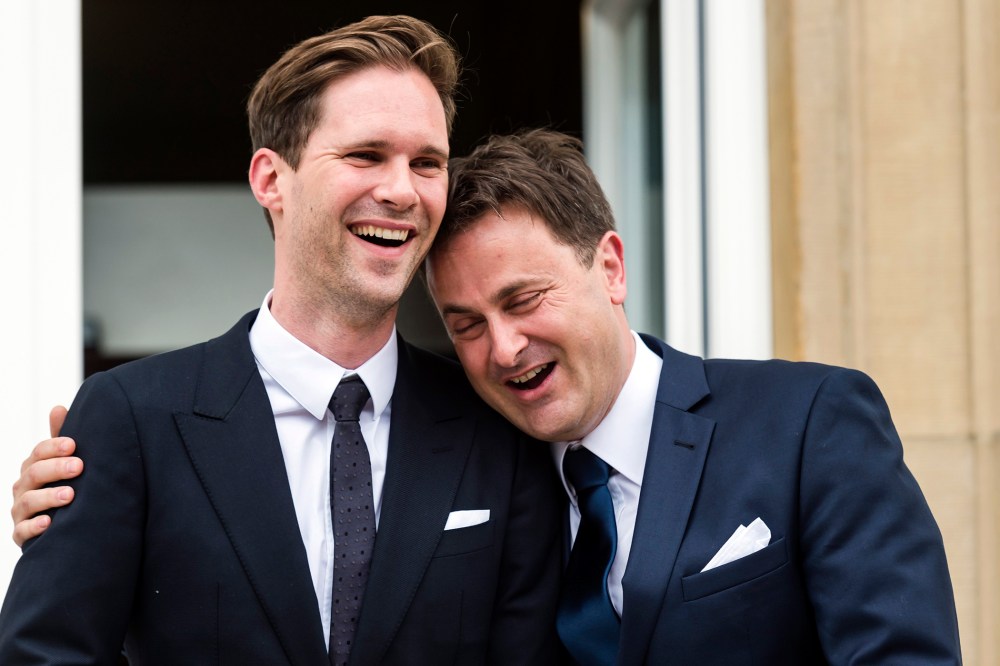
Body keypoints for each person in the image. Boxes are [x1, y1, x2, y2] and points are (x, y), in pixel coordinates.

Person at [11, 127, 963, 662]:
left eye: (524, 299)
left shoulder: (811, 423)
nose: (503, 347)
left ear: (610, 266)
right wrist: (105, 491)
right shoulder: (490, 459)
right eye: (465, 322)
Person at [0, 16, 561, 666]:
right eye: (365, 155)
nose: (402, 190)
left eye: (427, 163)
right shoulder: (131, 419)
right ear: (271, 180)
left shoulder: (494, 426)